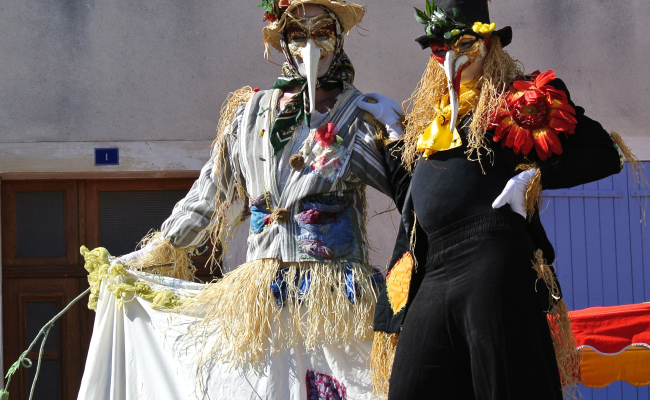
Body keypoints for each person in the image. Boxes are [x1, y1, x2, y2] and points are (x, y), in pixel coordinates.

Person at [78, 1, 403, 399]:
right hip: (261, 302)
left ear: (338, 38)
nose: (310, 46)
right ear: (282, 42)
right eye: (298, 35)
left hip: (334, 305)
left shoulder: (356, 117)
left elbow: (411, 193)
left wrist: (399, 139)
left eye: (322, 32)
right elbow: (213, 193)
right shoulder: (249, 115)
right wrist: (163, 247)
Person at [371, 0, 629, 399]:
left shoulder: (520, 98)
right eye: (441, 48)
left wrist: (534, 177)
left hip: (488, 252)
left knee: (506, 384)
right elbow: (414, 202)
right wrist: (395, 138)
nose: (453, 57)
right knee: (412, 387)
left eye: (465, 44)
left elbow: (603, 154)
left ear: (489, 44)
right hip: (433, 267)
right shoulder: (433, 120)